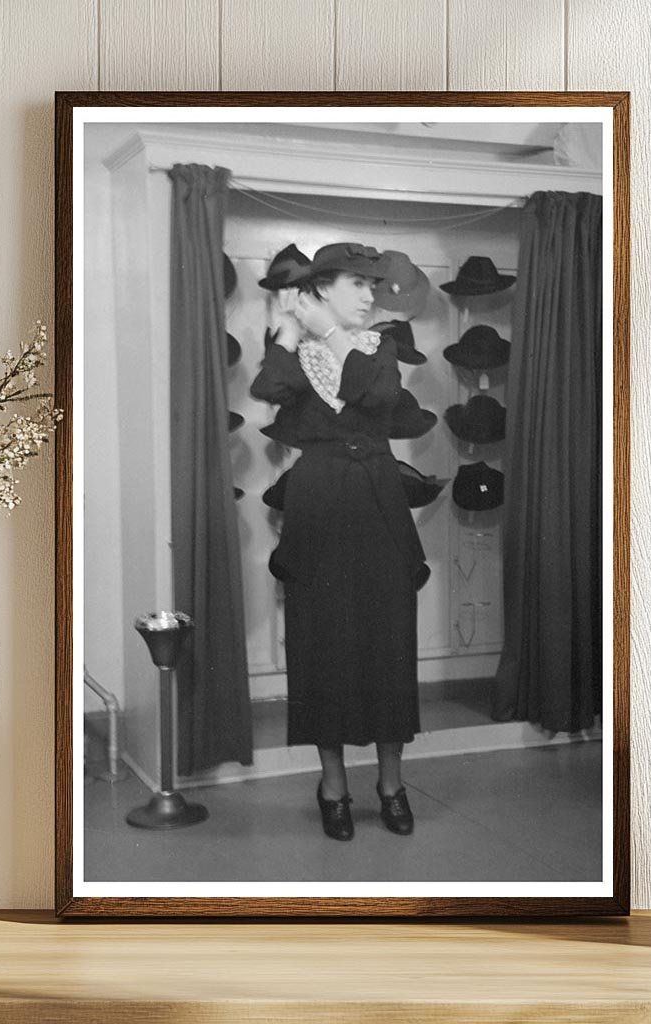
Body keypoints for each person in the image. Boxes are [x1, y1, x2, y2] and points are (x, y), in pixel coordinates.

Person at [251, 242, 427, 841]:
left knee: (387, 642)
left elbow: (373, 396)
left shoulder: (383, 348)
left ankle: (391, 783)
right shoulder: (296, 354)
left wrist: (327, 330)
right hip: (319, 504)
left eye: (371, 285)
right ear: (321, 286)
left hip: (378, 502)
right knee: (321, 643)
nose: (370, 293)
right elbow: (268, 388)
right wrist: (285, 331)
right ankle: (332, 785)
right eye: (357, 283)